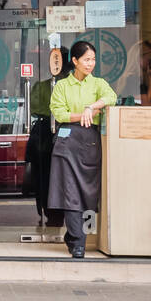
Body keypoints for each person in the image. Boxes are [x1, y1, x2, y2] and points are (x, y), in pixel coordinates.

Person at [48, 40, 118, 258]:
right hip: (67, 142)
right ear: (75, 61)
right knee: (70, 193)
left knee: (89, 193)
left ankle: (78, 236)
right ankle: (78, 242)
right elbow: (59, 113)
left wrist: (92, 107)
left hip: (90, 142)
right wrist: (83, 116)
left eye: (93, 60)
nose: (91, 64)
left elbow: (111, 98)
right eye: (87, 60)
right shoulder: (62, 86)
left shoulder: (97, 83)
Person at [25, 47, 73, 229]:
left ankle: (49, 212)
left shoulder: (42, 86)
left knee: (44, 177)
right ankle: (58, 214)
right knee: (62, 176)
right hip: (61, 131)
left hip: (45, 133)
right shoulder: (70, 86)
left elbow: (35, 107)